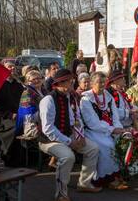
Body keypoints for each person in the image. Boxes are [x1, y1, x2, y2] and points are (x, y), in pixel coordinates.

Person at [39, 69, 101, 201]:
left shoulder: (71, 97)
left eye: (71, 81)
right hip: (48, 140)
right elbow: (48, 129)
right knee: (68, 157)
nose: (72, 84)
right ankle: (61, 194)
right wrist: (69, 142)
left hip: (69, 135)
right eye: (69, 81)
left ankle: (84, 183)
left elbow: (77, 119)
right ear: (60, 83)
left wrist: (80, 136)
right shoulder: (48, 100)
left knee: (93, 148)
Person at [80, 72, 128, 190]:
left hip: (109, 130)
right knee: (108, 145)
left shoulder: (108, 96)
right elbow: (92, 123)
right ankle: (107, 179)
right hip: (93, 131)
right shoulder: (86, 99)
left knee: (123, 140)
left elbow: (115, 116)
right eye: (99, 82)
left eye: (103, 82)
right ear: (91, 84)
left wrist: (118, 128)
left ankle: (117, 174)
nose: (102, 85)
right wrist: (112, 129)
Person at [0, 61, 24, 167]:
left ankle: (24, 159)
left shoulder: (17, 84)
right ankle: (8, 158)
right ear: (2, 69)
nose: (12, 68)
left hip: (17, 115)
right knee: (15, 128)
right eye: (9, 67)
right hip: (0, 119)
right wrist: (9, 115)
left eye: (13, 66)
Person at [16, 70, 47, 136]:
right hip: (32, 120)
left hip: (45, 117)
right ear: (28, 82)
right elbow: (27, 112)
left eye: (38, 78)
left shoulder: (45, 90)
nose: (36, 81)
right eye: (33, 79)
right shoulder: (27, 93)